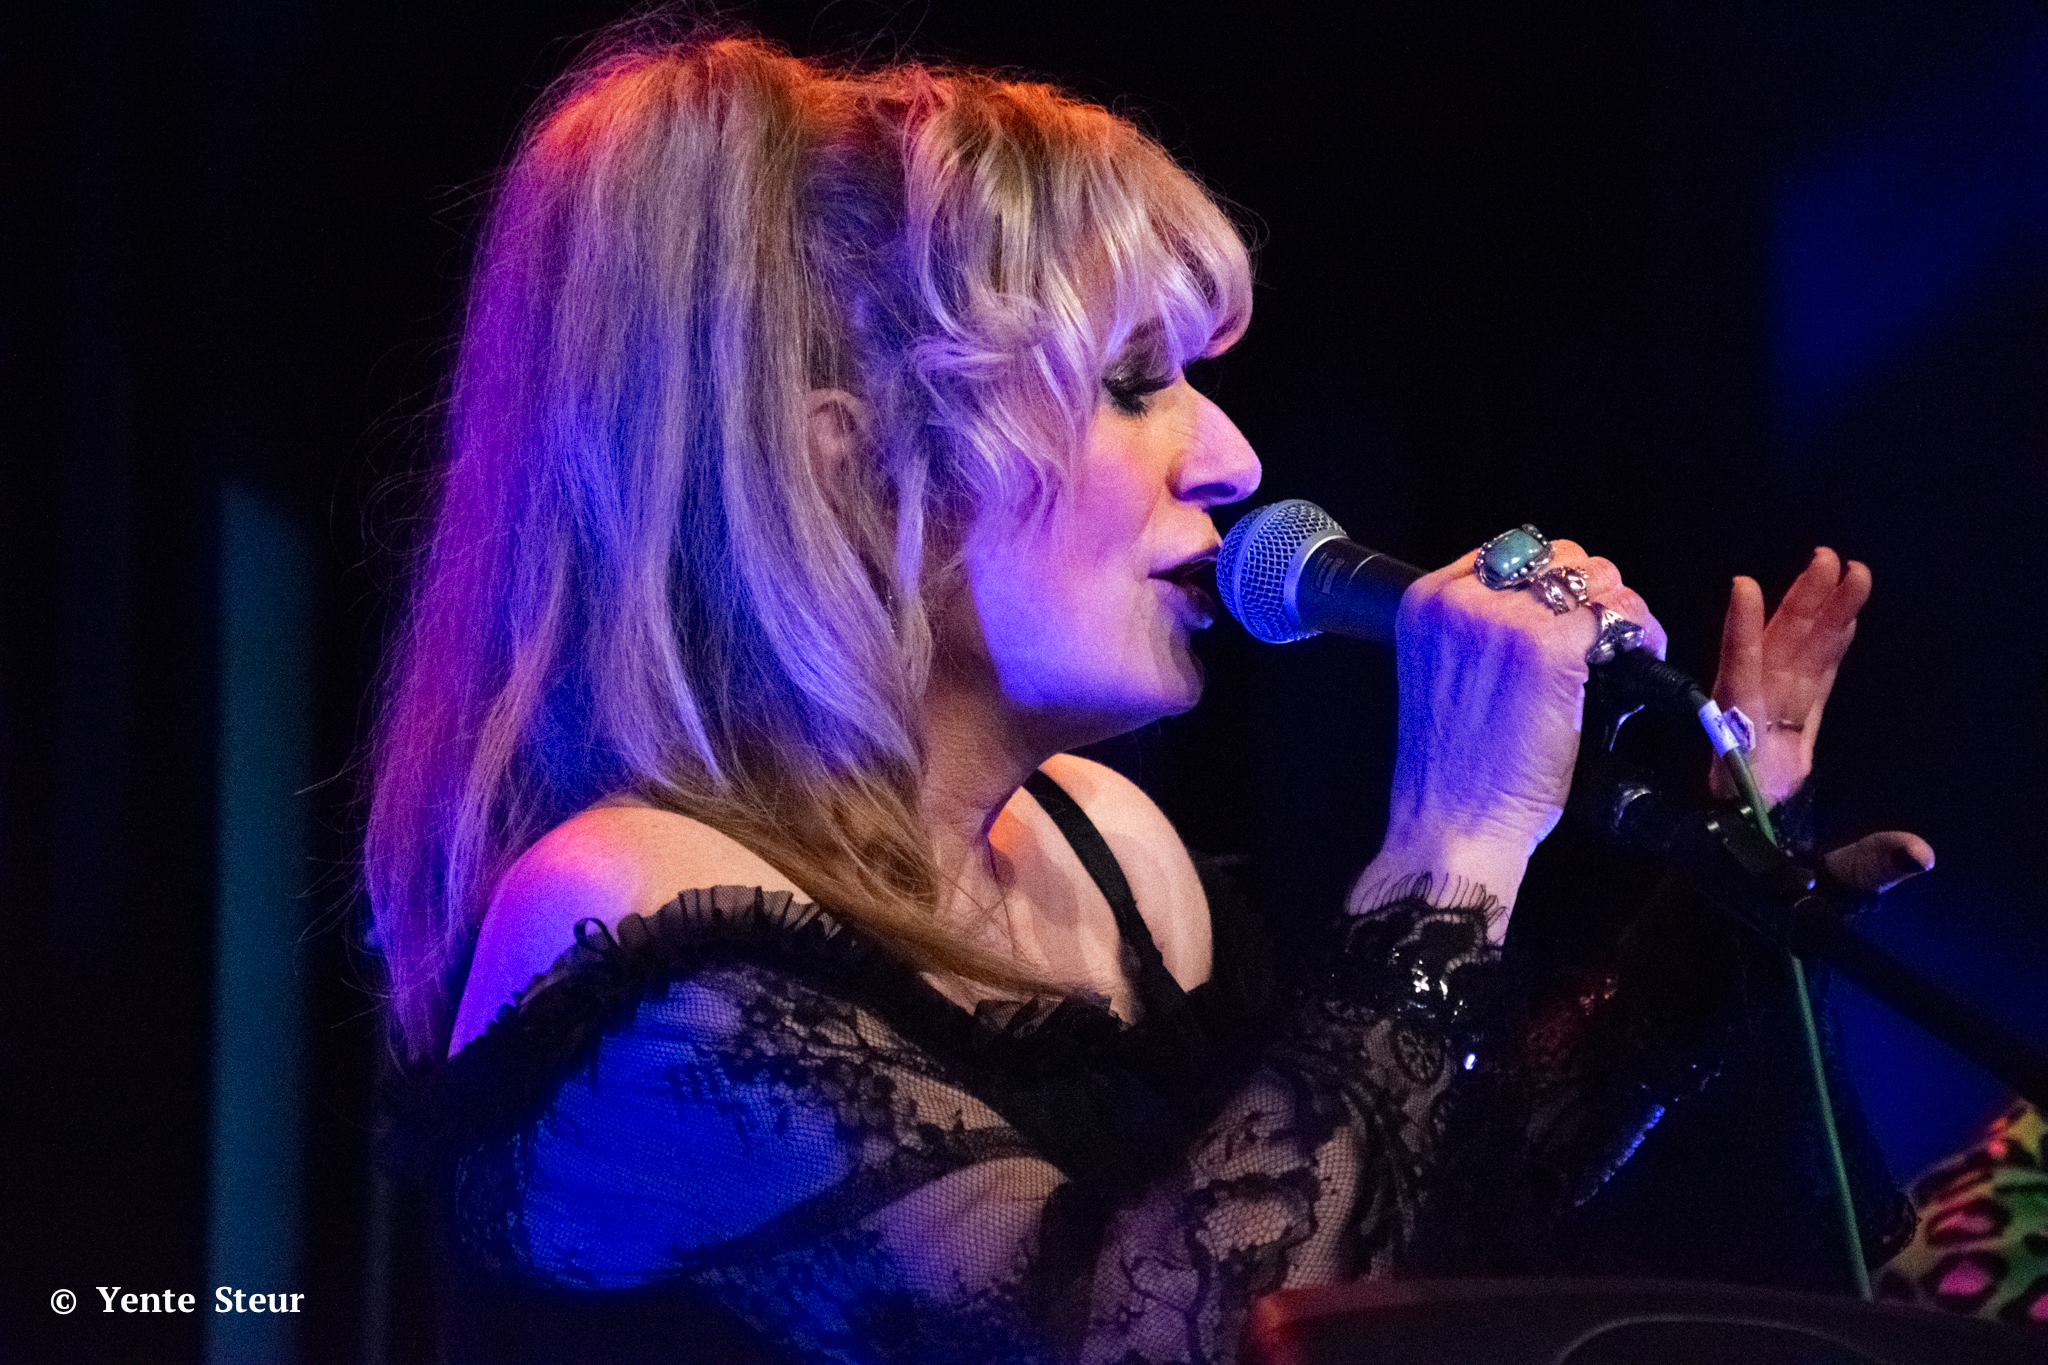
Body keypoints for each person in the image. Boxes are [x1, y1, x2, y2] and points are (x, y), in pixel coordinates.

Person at [369, 24, 1925, 1364]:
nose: (1234, 460)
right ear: (858, 468)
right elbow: (1147, 1337)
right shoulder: (627, 910)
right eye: (1133, 387)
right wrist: (1452, 843)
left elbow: (1369, 1244)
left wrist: (1695, 953)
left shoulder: (1108, 854)